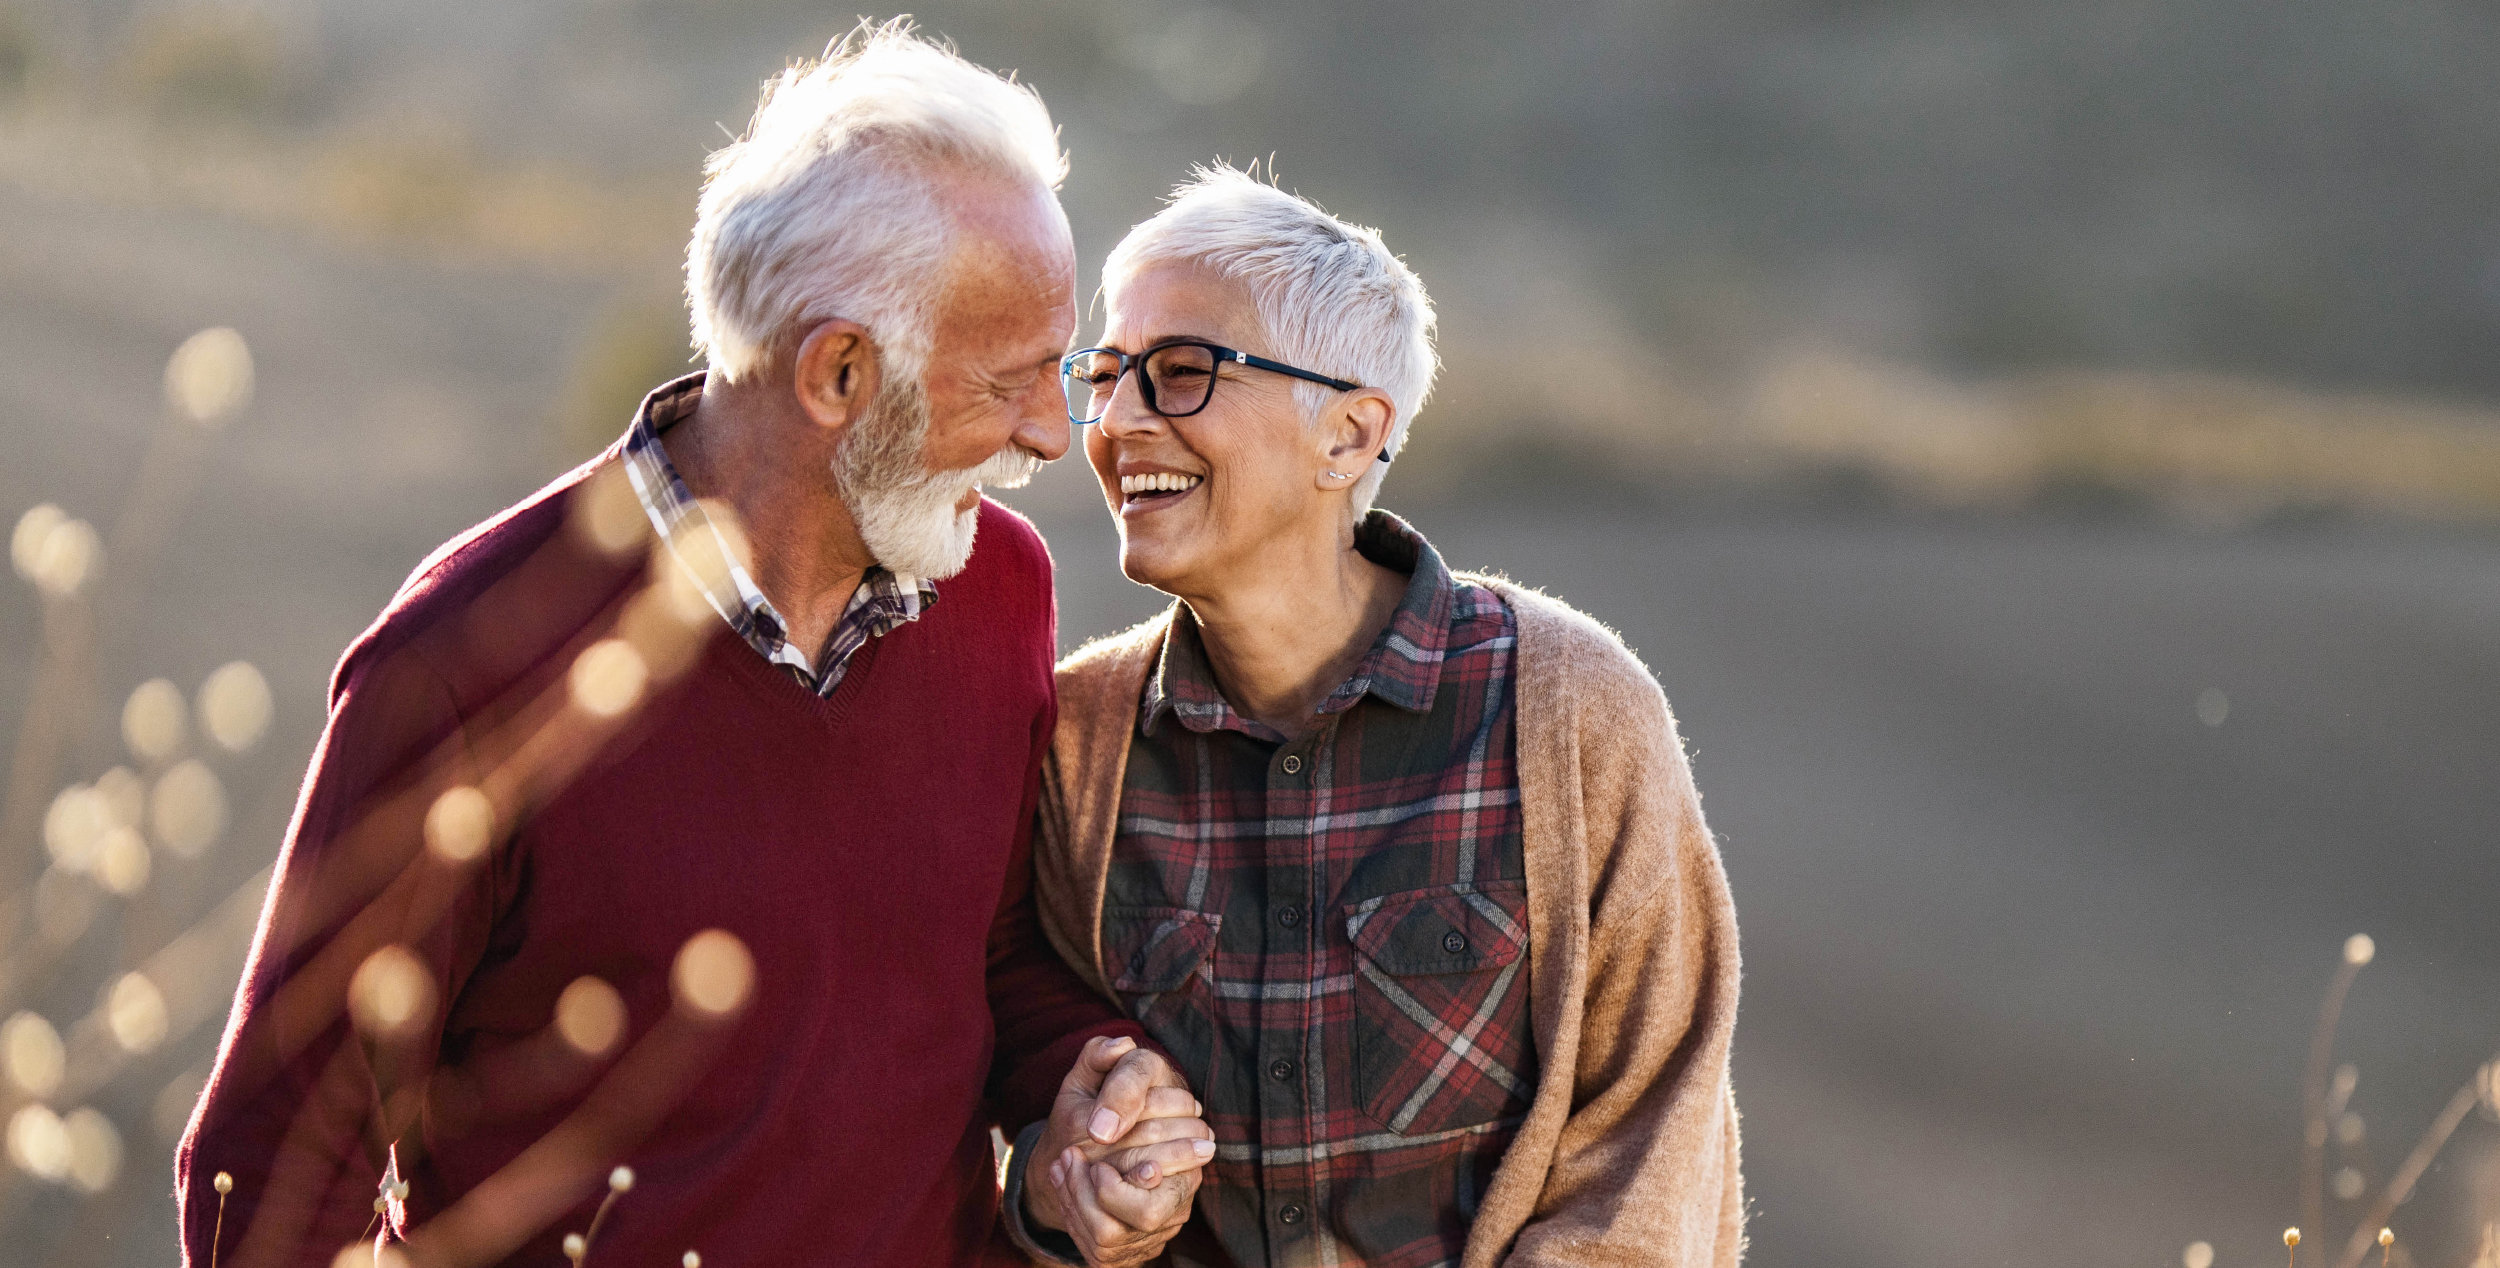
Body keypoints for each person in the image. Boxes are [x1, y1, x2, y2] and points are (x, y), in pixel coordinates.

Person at [177, 26, 1207, 1268]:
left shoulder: (1000, 589)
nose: (1056, 431)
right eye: (1010, 381)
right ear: (836, 372)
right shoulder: (464, 670)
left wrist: (1089, 1094)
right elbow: (270, 1180)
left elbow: (976, 956)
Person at [1022, 166, 1747, 1268]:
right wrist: (1064, 1199)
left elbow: (1655, 1143)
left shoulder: (1569, 710)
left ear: (1351, 437)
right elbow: (1026, 1103)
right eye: (1108, 374)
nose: (1120, 423)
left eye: (1177, 374)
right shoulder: (1078, 744)